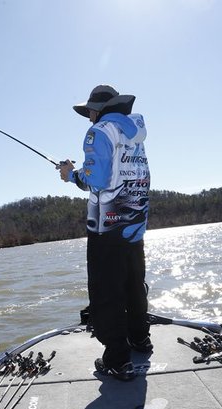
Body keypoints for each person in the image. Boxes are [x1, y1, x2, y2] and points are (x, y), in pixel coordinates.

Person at [57, 84, 152, 381]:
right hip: (134, 221)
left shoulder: (98, 132)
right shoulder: (133, 133)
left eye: (89, 112)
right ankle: (140, 338)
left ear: (98, 110)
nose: (89, 118)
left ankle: (117, 360)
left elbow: (95, 179)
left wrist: (71, 175)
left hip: (106, 226)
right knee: (134, 284)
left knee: (106, 291)